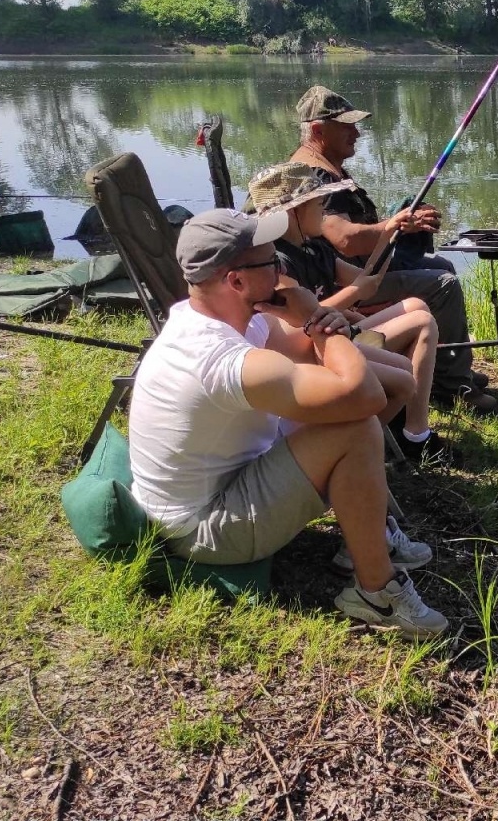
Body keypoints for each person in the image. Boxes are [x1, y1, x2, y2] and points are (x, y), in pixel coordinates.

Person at [126, 208, 448, 639]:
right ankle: (376, 592)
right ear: (235, 280)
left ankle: (363, 527)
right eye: (270, 262)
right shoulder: (218, 357)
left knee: (394, 380)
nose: (282, 269)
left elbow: (358, 374)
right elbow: (361, 396)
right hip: (204, 530)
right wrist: (318, 321)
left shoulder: (226, 316)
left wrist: (314, 324)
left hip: (230, 479)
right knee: (356, 428)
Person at [246, 162, 479, 453]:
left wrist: (389, 234)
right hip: (311, 348)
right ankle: (415, 435)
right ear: (295, 211)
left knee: (416, 306)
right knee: (422, 323)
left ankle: (405, 419)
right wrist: (353, 295)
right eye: (319, 203)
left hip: (335, 332)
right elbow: (297, 320)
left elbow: (367, 280)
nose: (324, 209)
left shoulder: (315, 248)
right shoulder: (276, 261)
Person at [287, 85, 493, 408]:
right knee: (444, 285)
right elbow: (345, 238)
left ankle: (449, 366)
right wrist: (393, 226)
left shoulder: (328, 164)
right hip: (345, 281)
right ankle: (453, 387)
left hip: (367, 269)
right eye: (347, 126)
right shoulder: (314, 175)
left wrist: (401, 225)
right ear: (317, 130)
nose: (356, 132)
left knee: (443, 267)